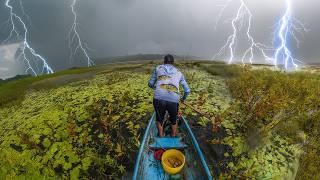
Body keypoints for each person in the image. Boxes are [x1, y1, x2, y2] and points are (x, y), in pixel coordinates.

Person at [148, 54, 190, 137]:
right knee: (174, 120)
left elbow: (150, 84)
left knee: (159, 119)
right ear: (173, 63)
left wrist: (155, 87)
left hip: (158, 98)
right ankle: (173, 135)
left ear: (164, 62)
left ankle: (161, 135)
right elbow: (187, 90)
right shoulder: (179, 72)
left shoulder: (157, 68)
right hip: (173, 100)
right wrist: (183, 99)